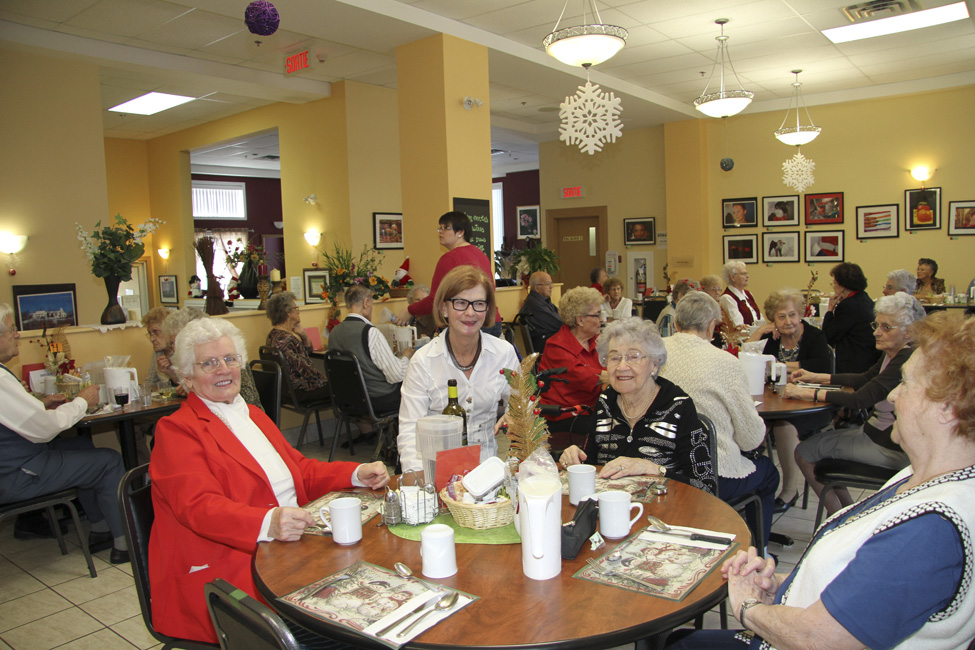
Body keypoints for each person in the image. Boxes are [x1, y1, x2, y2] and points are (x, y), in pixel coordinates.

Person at [666, 310, 975, 650]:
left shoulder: (930, 529)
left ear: (947, 407)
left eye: (907, 383)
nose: (892, 396)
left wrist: (749, 605)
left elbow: (822, 639)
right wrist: (779, 585)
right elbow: (864, 591)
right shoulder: (921, 478)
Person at [149, 317, 390, 644]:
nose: (223, 369)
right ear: (187, 377)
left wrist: (354, 472)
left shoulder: (252, 414)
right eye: (209, 363)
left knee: (378, 584)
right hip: (231, 568)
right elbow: (198, 507)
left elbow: (300, 470)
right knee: (352, 625)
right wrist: (268, 522)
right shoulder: (177, 430)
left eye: (230, 359)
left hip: (291, 546)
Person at [0, 303, 128, 562]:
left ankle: (100, 528)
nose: (17, 335)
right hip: (18, 476)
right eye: (12, 329)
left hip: (12, 466)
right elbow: (46, 430)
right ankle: (125, 544)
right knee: (109, 461)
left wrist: (40, 405)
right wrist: (82, 401)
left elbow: (15, 418)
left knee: (83, 448)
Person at [786, 293, 926, 516]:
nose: (876, 332)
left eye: (886, 327)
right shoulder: (895, 353)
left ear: (908, 332)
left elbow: (860, 398)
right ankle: (850, 513)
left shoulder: (904, 360)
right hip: (876, 435)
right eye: (877, 325)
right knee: (819, 445)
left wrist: (805, 392)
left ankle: (838, 519)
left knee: (803, 451)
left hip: (886, 446)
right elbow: (863, 379)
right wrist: (817, 377)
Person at [660, 292, 777, 546]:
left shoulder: (654, 353)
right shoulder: (725, 362)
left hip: (660, 465)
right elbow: (751, 439)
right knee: (768, 473)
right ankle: (757, 553)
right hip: (710, 473)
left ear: (676, 324)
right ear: (712, 326)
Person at [559, 318, 715, 494]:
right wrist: (574, 458)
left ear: (655, 364)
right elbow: (591, 465)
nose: (621, 366)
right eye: (614, 357)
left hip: (666, 511)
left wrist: (655, 470)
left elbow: (705, 487)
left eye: (634, 357)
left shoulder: (678, 406)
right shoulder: (605, 402)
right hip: (611, 509)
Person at [397, 266, 519, 473]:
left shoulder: (503, 353)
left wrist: (515, 416)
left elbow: (521, 403)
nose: (470, 312)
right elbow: (409, 431)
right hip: (436, 471)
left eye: (479, 304)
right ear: (444, 309)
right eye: (461, 303)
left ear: (487, 309)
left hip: (487, 471)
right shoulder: (423, 361)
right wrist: (420, 483)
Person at [745, 288, 833, 512]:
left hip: (808, 404)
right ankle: (751, 484)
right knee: (750, 423)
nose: (788, 321)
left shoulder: (814, 336)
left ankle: (789, 490)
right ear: (773, 318)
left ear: (801, 314)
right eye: (781, 316)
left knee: (784, 427)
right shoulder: (770, 338)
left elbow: (821, 366)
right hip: (772, 402)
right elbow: (746, 356)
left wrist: (773, 363)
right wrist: (762, 330)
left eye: (792, 314)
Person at [393, 211, 501, 335]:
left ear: (460, 232)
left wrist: (409, 310)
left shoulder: (449, 258)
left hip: (468, 324)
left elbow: (435, 300)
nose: (440, 232)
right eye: (440, 228)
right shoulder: (481, 255)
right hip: (491, 321)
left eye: (446, 228)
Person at [328, 283, 412, 414]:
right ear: (366, 302)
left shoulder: (334, 332)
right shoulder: (369, 332)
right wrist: (406, 356)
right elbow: (396, 375)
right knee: (418, 387)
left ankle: (370, 434)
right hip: (378, 399)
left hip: (348, 399)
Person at [538, 287, 608, 442]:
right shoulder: (557, 346)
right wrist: (617, 375)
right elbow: (584, 376)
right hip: (565, 417)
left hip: (592, 411)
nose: (602, 320)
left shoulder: (596, 342)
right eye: (597, 315)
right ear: (580, 320)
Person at [164, 306, 263, 408]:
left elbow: (248, 398)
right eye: (173, 343)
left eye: (179, 342)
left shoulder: (231, 357)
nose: (176, 349)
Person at [266, 292, 330, 403]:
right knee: (342, 386)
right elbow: (307, 371)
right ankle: (360, 419)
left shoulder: (272, 336)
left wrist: (304, 336)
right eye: (296, 308)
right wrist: (327, 380)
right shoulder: (287, 340)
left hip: (285, 391)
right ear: (288, 312)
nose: (298, 311)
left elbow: (306, 352)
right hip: (301, 391)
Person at [822, 262, 877, 374]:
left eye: (834, 283)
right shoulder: (864, 297)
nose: (833, 286)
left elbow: (828, 337)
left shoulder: (848, 306)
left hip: (854, 363)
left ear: (842, 286)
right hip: (869, 357)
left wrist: (830, 310)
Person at [517, 271, 561, 353]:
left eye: (551, 283)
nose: (551, 286)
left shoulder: (543, 301)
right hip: (546, 348)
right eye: (548, 284)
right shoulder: (534, 305)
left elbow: (562, 316)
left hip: (551, 343)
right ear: (537, 288)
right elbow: (559, 323)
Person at [142, 306, 177, 387]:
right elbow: (150, 381)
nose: (151, 339)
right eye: (150, 333)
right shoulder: (158, 352)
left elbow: (187, 387)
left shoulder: (181, 351)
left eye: (156, 332)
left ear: (169, 330)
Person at [720, 261, 761, 326]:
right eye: (743, 274)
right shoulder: (727, 298)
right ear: (733, 277)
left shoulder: (748, 294)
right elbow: (738, 325)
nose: (747, 276)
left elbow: (759, 318)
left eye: (747, 273)